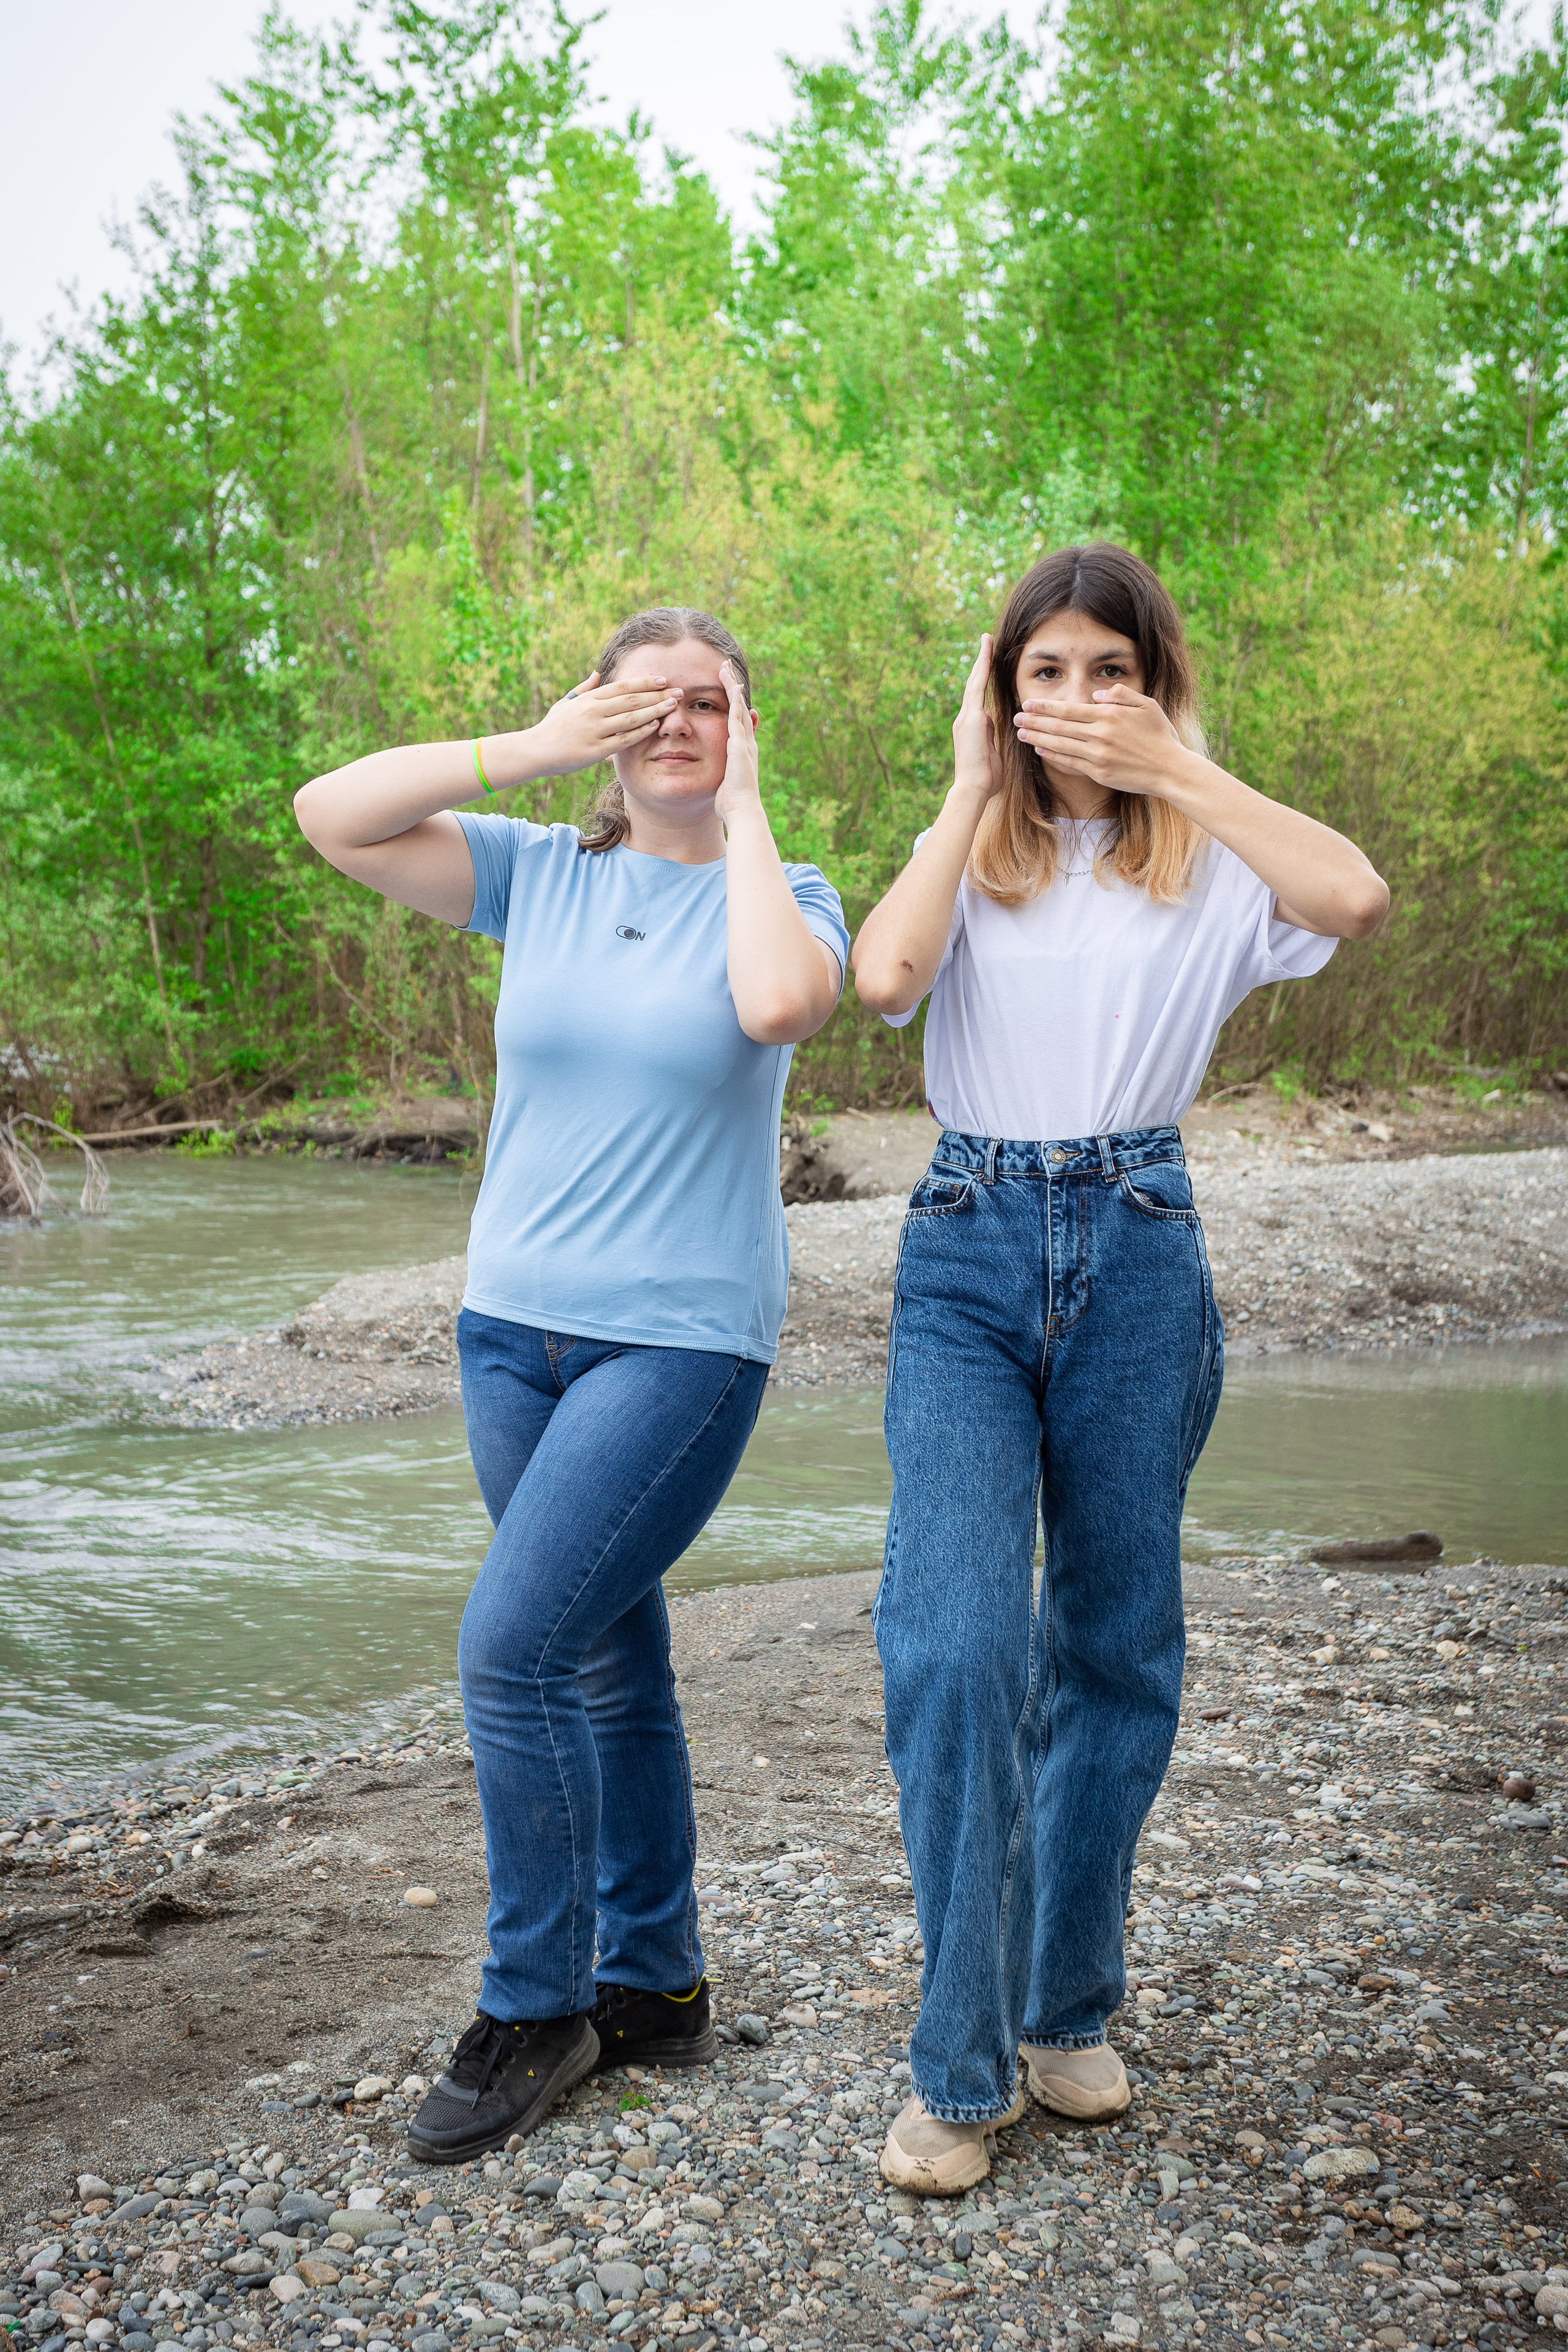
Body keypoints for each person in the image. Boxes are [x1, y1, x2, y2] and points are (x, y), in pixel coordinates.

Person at [851, 543, 1388, 2196]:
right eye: (1046, 674)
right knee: (951, 1642)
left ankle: (1064, 2005)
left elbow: (1354, 897)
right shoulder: (977, 848)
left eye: (1111, 670)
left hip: (1143, 1247)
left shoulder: (1210, 861)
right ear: (1000, 696)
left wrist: (1181, 767)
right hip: (967, 1246)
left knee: (1115, 1646)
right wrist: (962, 787)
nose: (1078, 702)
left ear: (1157, 680)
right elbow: (878, 981)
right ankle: (958, 2069)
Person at [293, 607, 848, 2163]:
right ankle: (654, 1984)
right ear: (603, 713)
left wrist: (738, 809)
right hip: (508, 1334)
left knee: (508, 1648)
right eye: (645, 700)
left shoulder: (787, 895)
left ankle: (537, 2005)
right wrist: (537, 745)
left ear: (747, 729)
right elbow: (328, 814)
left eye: (710, 704)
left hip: (678, 1345)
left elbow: (778, 1008)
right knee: (605, 1660)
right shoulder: (538, 869)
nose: (675, 723)